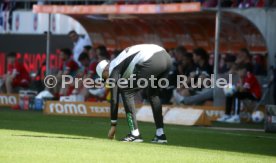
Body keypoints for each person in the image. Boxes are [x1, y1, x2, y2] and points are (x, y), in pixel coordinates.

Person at [96, 44, 172, 143]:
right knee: (153, 94)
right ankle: (160, 135)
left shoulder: (113, 68)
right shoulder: (119, 63)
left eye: (104, 77)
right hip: (166, 58)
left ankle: (135, 134)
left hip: (152, 59)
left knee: (126, 91)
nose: (107, 80)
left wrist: (113, 125)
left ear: (105, 70)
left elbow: (114, 99)